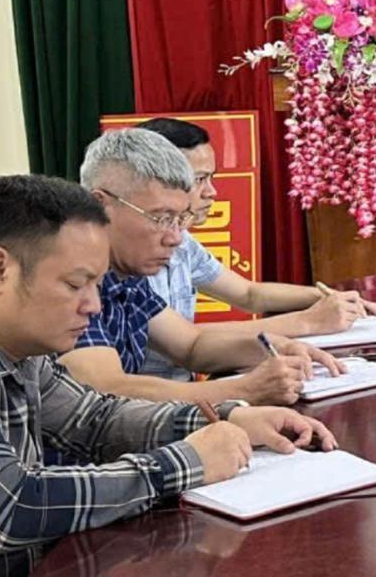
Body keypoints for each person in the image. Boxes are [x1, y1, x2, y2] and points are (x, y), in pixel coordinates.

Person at [0, 174, 334, 577]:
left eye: (96, 285)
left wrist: (224, 418)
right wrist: (185, 463)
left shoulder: (11, 347)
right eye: (76, 284)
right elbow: (10, 505)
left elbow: (95, 418)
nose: (93, 306)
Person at [60, 129, 342, 407]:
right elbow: (107, 388)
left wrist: (272, 346)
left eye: (179, 219)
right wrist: (244, 389)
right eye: (161, 218)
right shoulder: (69, 275)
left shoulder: (126, 273)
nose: (175, 238)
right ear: (100, 206)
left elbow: (191, 345)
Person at [133, 117, 376, 381]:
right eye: (199, 179)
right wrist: (310, 321)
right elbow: (189, 343)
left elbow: (248, 293)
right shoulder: (127, 256)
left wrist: (325, 298)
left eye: (211, 178)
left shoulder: (184, 241)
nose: (212, 192)